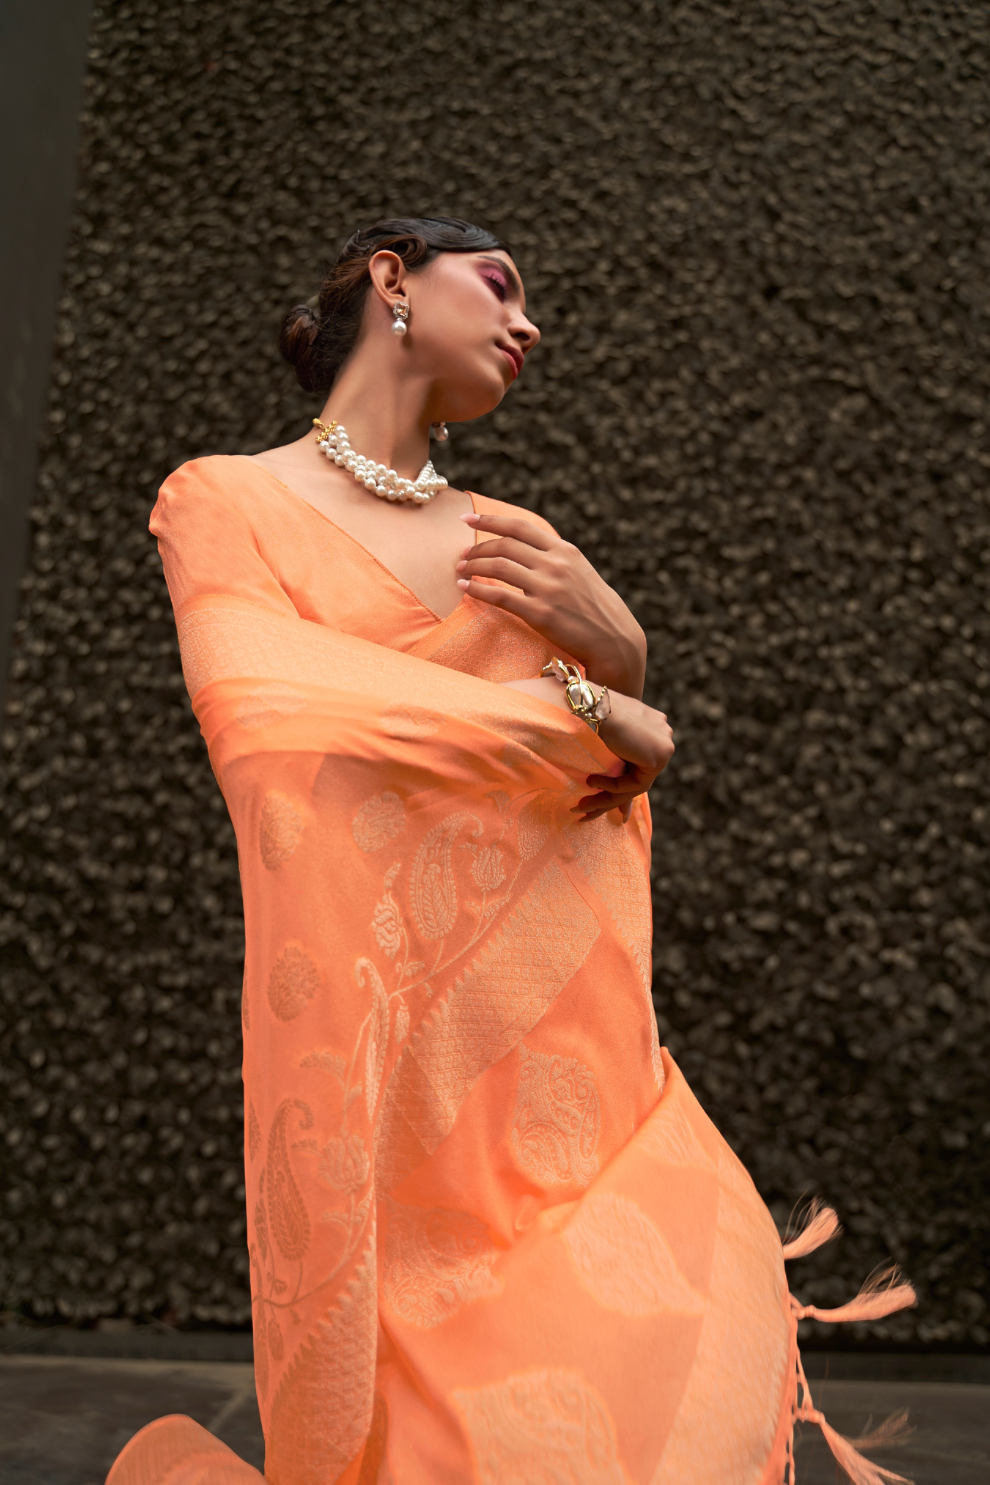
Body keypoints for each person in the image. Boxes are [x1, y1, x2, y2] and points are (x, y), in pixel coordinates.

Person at [107, 218, 914, 1485]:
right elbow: (266, 711)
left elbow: (590, 799)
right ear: (392, 279)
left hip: (575, 1093)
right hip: (391, 1090)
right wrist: (592, 709)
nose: (528, 324)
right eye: (499, 285)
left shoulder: (518, 543)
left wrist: (621, 655)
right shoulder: (225, 499)